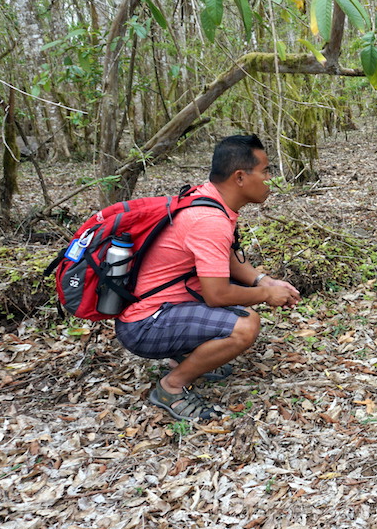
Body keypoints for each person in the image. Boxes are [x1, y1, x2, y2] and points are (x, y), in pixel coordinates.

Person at [115, 134, 301, 421]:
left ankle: (189, 356)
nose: (269, 179)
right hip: (145, 324)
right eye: (265, 171)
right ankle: (171, 387)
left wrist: (265, 281)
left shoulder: (207, 198)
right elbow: (217, 294)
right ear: (240, 177)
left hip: (163, 306)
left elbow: (225, 260)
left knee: (242, 298)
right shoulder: (209, 221)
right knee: (245, 325)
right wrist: (267, 295)